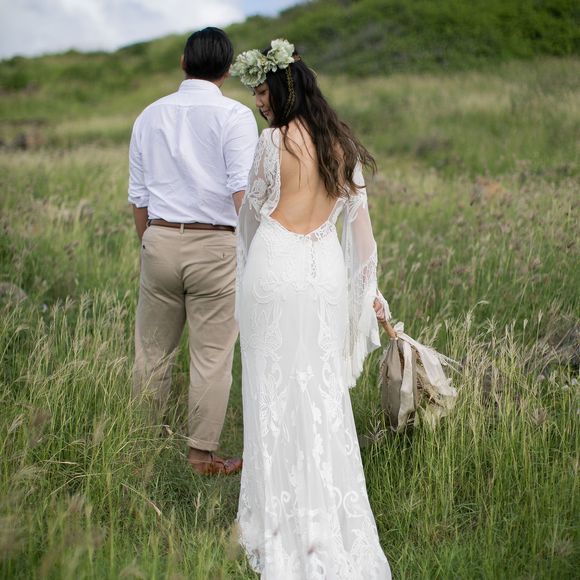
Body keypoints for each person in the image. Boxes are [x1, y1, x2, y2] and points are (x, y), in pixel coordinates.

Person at [232, 39, 392, 578]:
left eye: (263, 93)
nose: (260, 103)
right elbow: (363, 238)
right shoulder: (342, 145)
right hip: (323, 273)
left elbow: (252, 214)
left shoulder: (271, 143)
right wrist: (370, 292)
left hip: (274, 268)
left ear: (284, 90)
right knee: (321, 393)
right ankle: (327, 517)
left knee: (271, 393)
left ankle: (275, 521)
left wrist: (248, 265)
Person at [128, 27, 258, 475]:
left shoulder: (149, 115)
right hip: (217, 245)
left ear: (183, 62)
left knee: (151, 355)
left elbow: (138, 196)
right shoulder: (236, 116)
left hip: (159, 239)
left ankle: (140, 448)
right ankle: (201, 456)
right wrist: (251, 253)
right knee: (212, 359)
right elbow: (242, 193)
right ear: (227, 71)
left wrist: (149, 244)